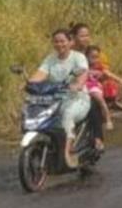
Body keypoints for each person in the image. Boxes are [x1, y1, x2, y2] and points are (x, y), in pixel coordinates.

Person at [26, 28, 92, 168]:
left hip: (77, 98)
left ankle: (67, 154)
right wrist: (29, 84)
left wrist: (78, 84)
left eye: (62, 41)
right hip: (56, 98)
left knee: (67, 115)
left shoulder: (78, 57)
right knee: (40, 113)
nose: (59, 44)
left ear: (70, 42)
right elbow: (40, 74)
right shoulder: (50, 58)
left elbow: (83, 73)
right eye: (56, 41)